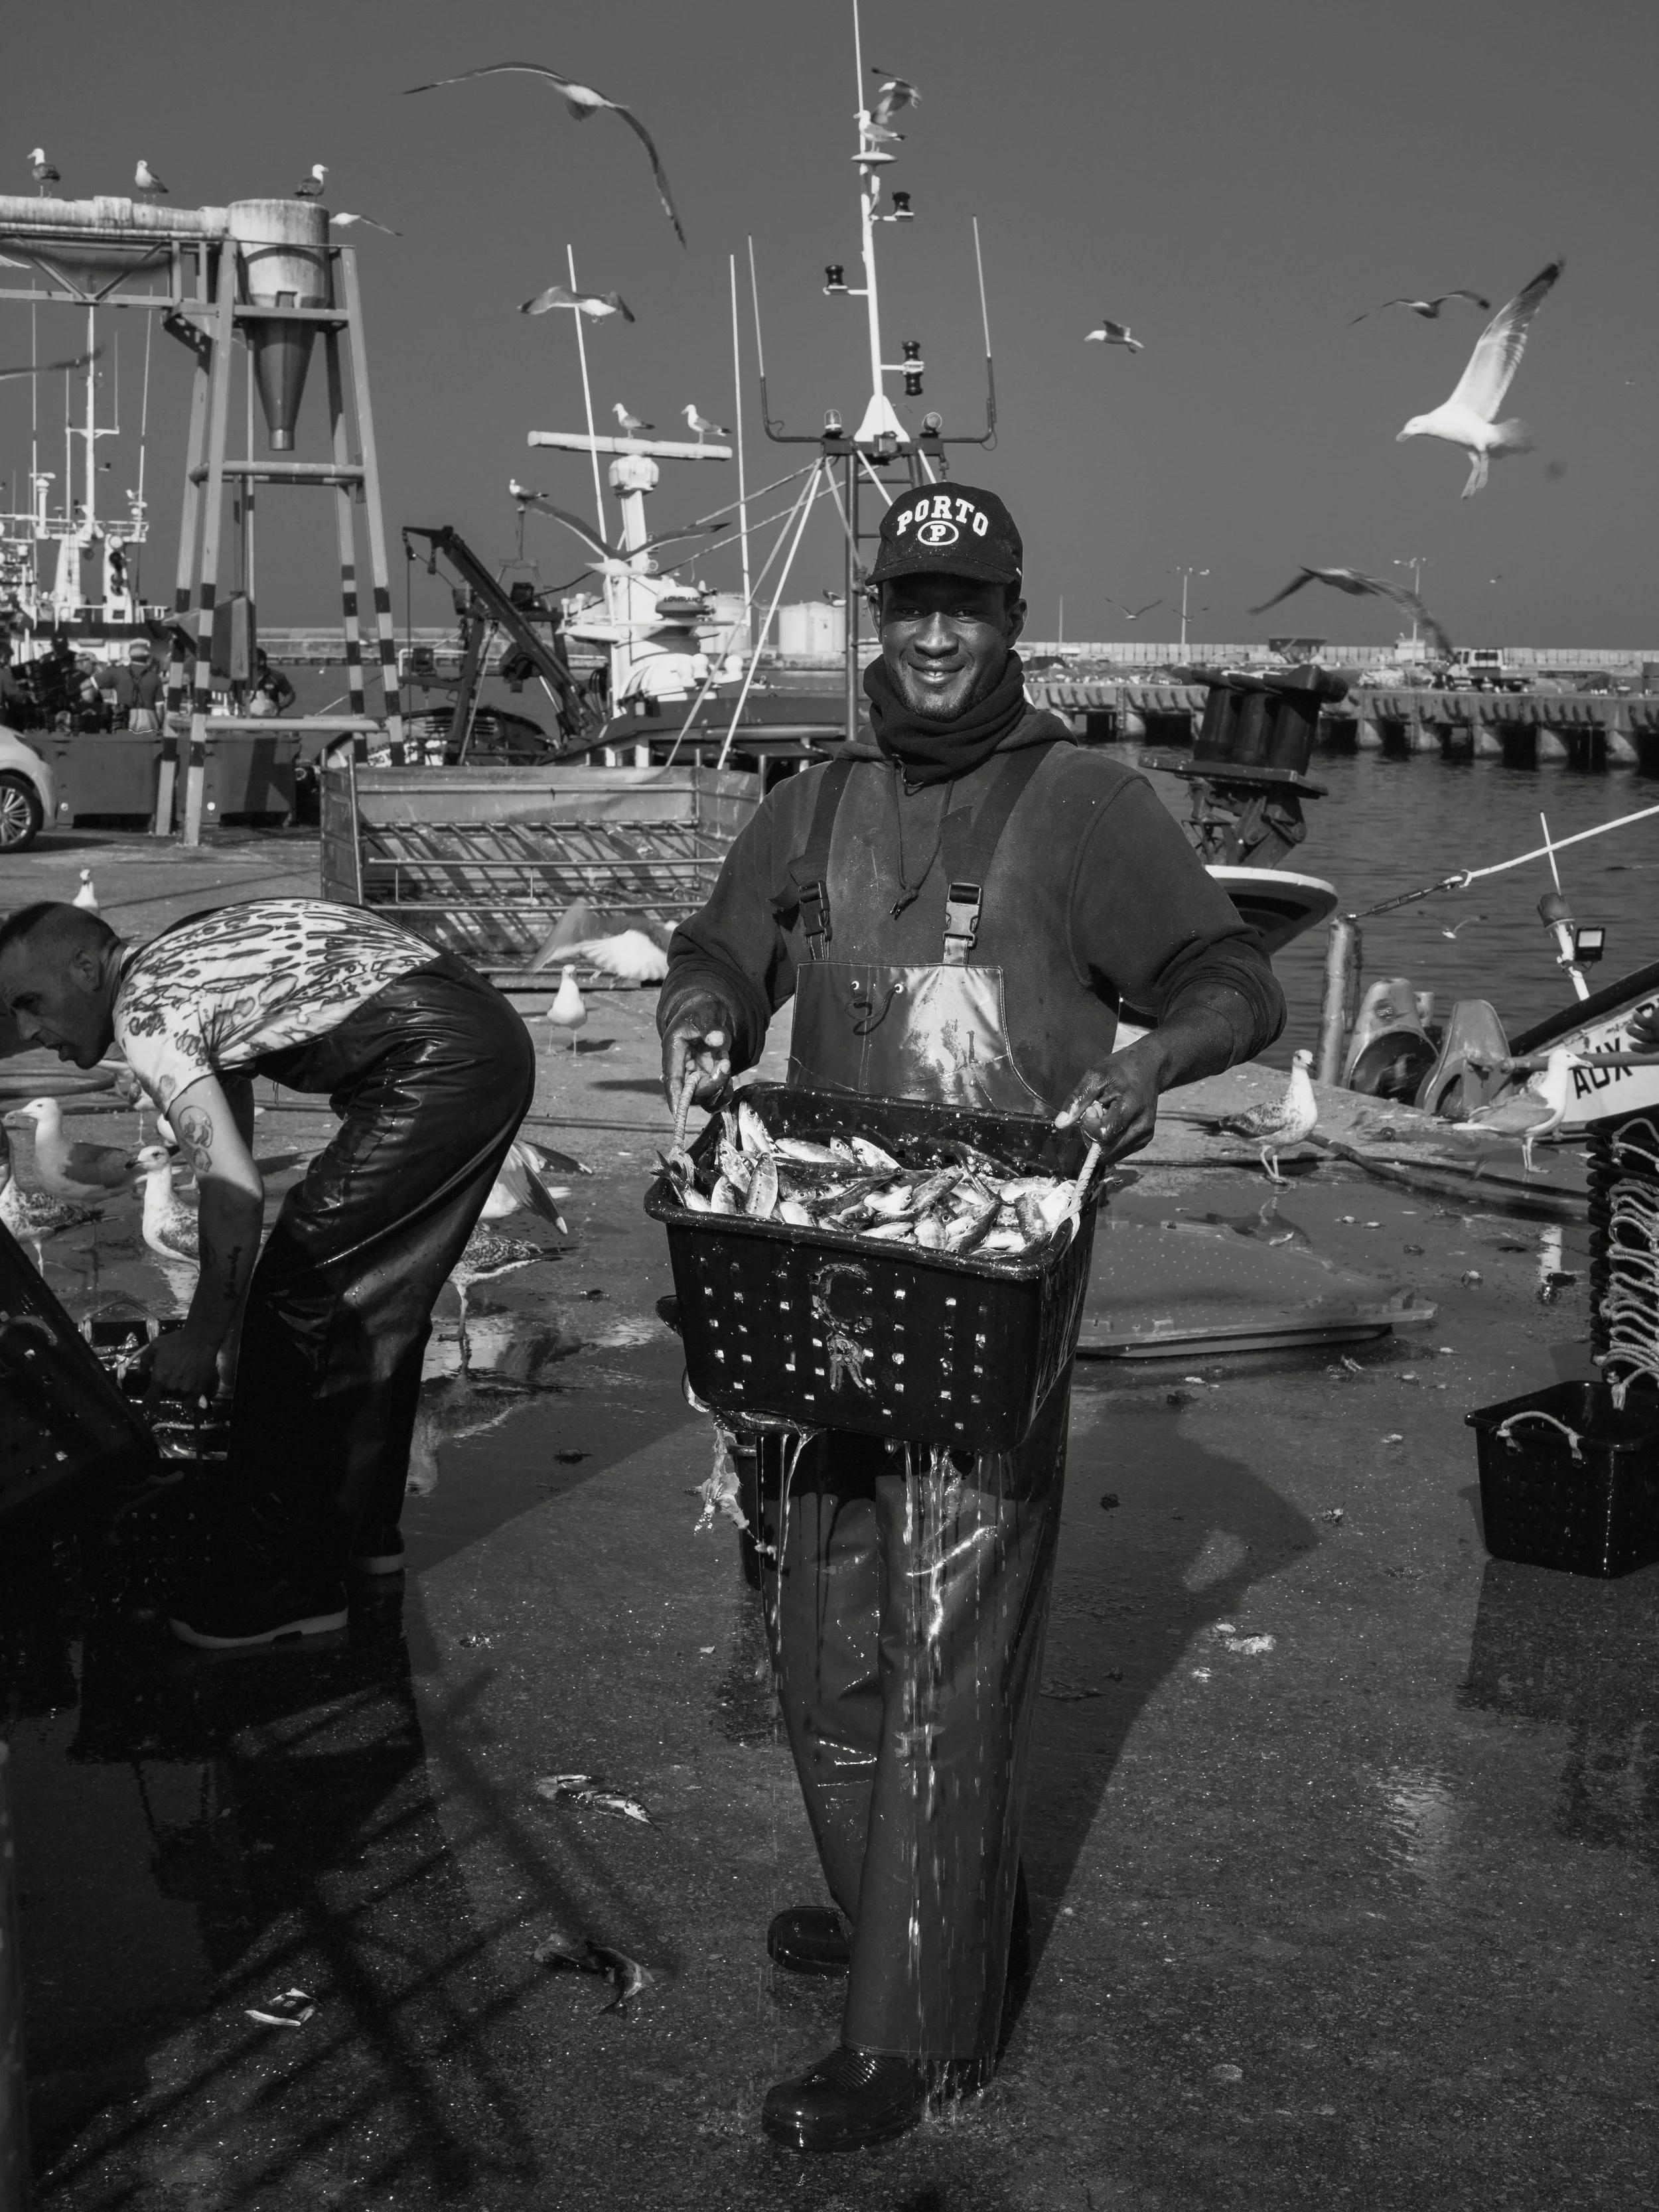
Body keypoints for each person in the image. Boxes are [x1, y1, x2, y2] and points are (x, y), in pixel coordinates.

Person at [658, 484, 1285, 2152]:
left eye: (971, 603)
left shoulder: (1089, 806)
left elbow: (1234, 974)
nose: (937, 632)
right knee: (815, 1613)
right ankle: (903, 1915)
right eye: (912, 600)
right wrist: (706, 1016)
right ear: (880, 611)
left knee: (943, 1619)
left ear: (1014, 617)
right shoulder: (810, 803)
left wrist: (1158, 1057)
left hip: (995, 1269)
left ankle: (918, 2032)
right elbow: (717, 948)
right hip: (825, 1261)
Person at [0, 897, 536, 1649]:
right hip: (472, 1037)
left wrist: (206, 1332)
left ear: (88, 968)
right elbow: (231, 1150)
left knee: (306, 1293)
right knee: (373, 1290)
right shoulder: (180, 960)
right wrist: (225, 1325)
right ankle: (361, 1534)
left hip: (439, 1058)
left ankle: (283, 1588)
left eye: (32, 1002)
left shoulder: (148, 1012)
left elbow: (234, 1189)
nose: (28, 1031)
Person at [104, 638, 164, 733]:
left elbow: (92, 684)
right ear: (147, 656)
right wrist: (159, 727)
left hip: (126, 724)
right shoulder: (155, 678)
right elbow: (160, 708)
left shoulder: (119, 673)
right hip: (150, 725)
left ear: (130, 655)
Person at [245, 648, 296, 718]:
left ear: (261, 662)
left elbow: (290, 694)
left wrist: (280, 707)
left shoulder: (276, 676)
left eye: (250, 659)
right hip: (247, 719)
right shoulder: (242, 678)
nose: (247, 662)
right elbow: (232, 693)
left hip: (271, 719)